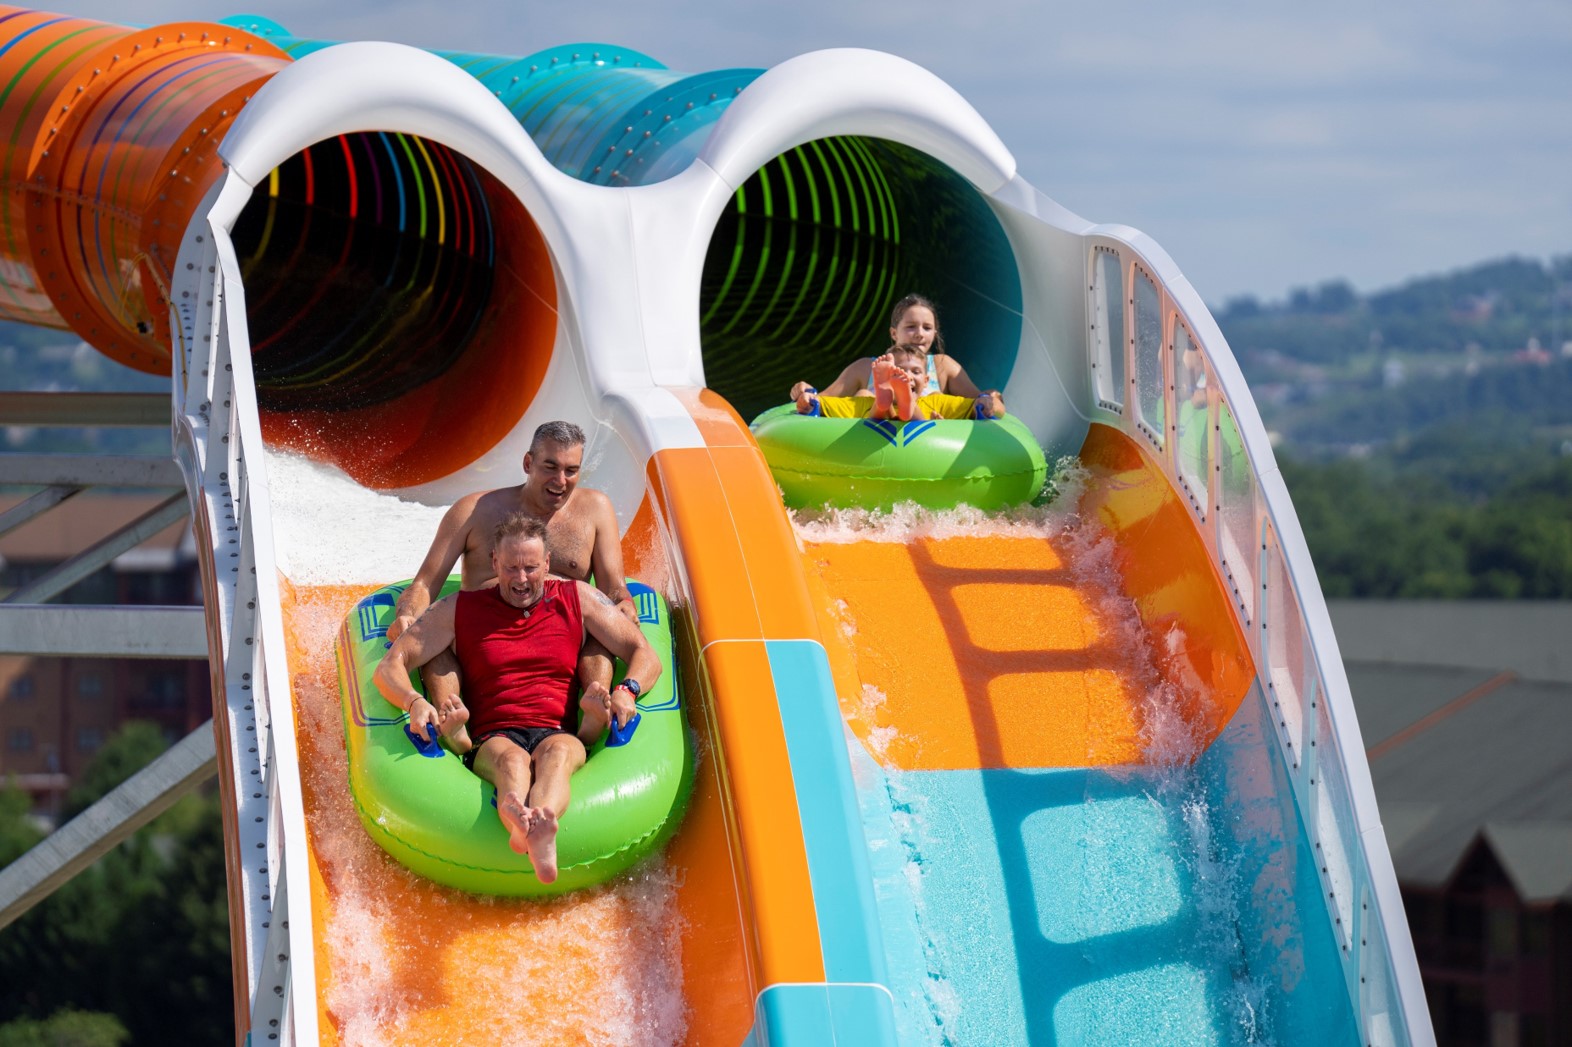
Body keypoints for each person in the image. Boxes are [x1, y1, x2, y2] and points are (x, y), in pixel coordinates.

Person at [373, 513, 661, 884]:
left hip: (559, 730)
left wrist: (628, 689)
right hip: (494, 734)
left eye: (530, 567)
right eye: (511, 567)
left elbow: (645, 653)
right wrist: (414, 701)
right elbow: (390, 666)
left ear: (546, 564)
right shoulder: (460, 608)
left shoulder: (578, 598)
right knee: (512, 762)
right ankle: (521, 823)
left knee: (557, 756)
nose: (521, 578)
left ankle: (537, 824)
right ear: (494, 562)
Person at [386, 421, 637, 752]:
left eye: (571, 470)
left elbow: (614, 590)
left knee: (601, 638)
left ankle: (593, 722)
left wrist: (625, 606)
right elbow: (424, 584)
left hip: (559, 642)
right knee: (435, 643)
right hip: (486, 643)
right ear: (528, 464)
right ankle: (452, 729)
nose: (561, 481)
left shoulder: (595, 511)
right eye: (550, 467)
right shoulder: (475, 511)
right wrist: (408, 615)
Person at [786, 293, 997, 410]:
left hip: (925, 439)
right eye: (911, 327)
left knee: (933, 397)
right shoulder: (866, 367)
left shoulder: (943, 366)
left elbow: (979, 401)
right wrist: (804, 391)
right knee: (864, 395)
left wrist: (992, 398)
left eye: (927, 328)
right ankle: (886, 400)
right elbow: (823, 400)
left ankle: (904, 404)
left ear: (935, 332)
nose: (919, 334)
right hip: (875, 434)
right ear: (894, 333)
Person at [798, 345, 1006, 421]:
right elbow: (822, 403)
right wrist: (808, 399)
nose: (908, 375)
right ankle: (891, 403)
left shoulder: (937, 401)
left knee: (871, 405)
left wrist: (985, 403)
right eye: (899, 372)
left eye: (915, 372)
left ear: (926, 380)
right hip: (874, 410)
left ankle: (896, 404)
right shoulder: (863, 398)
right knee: (865, 398)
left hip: (898, 416)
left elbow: (977, 405)